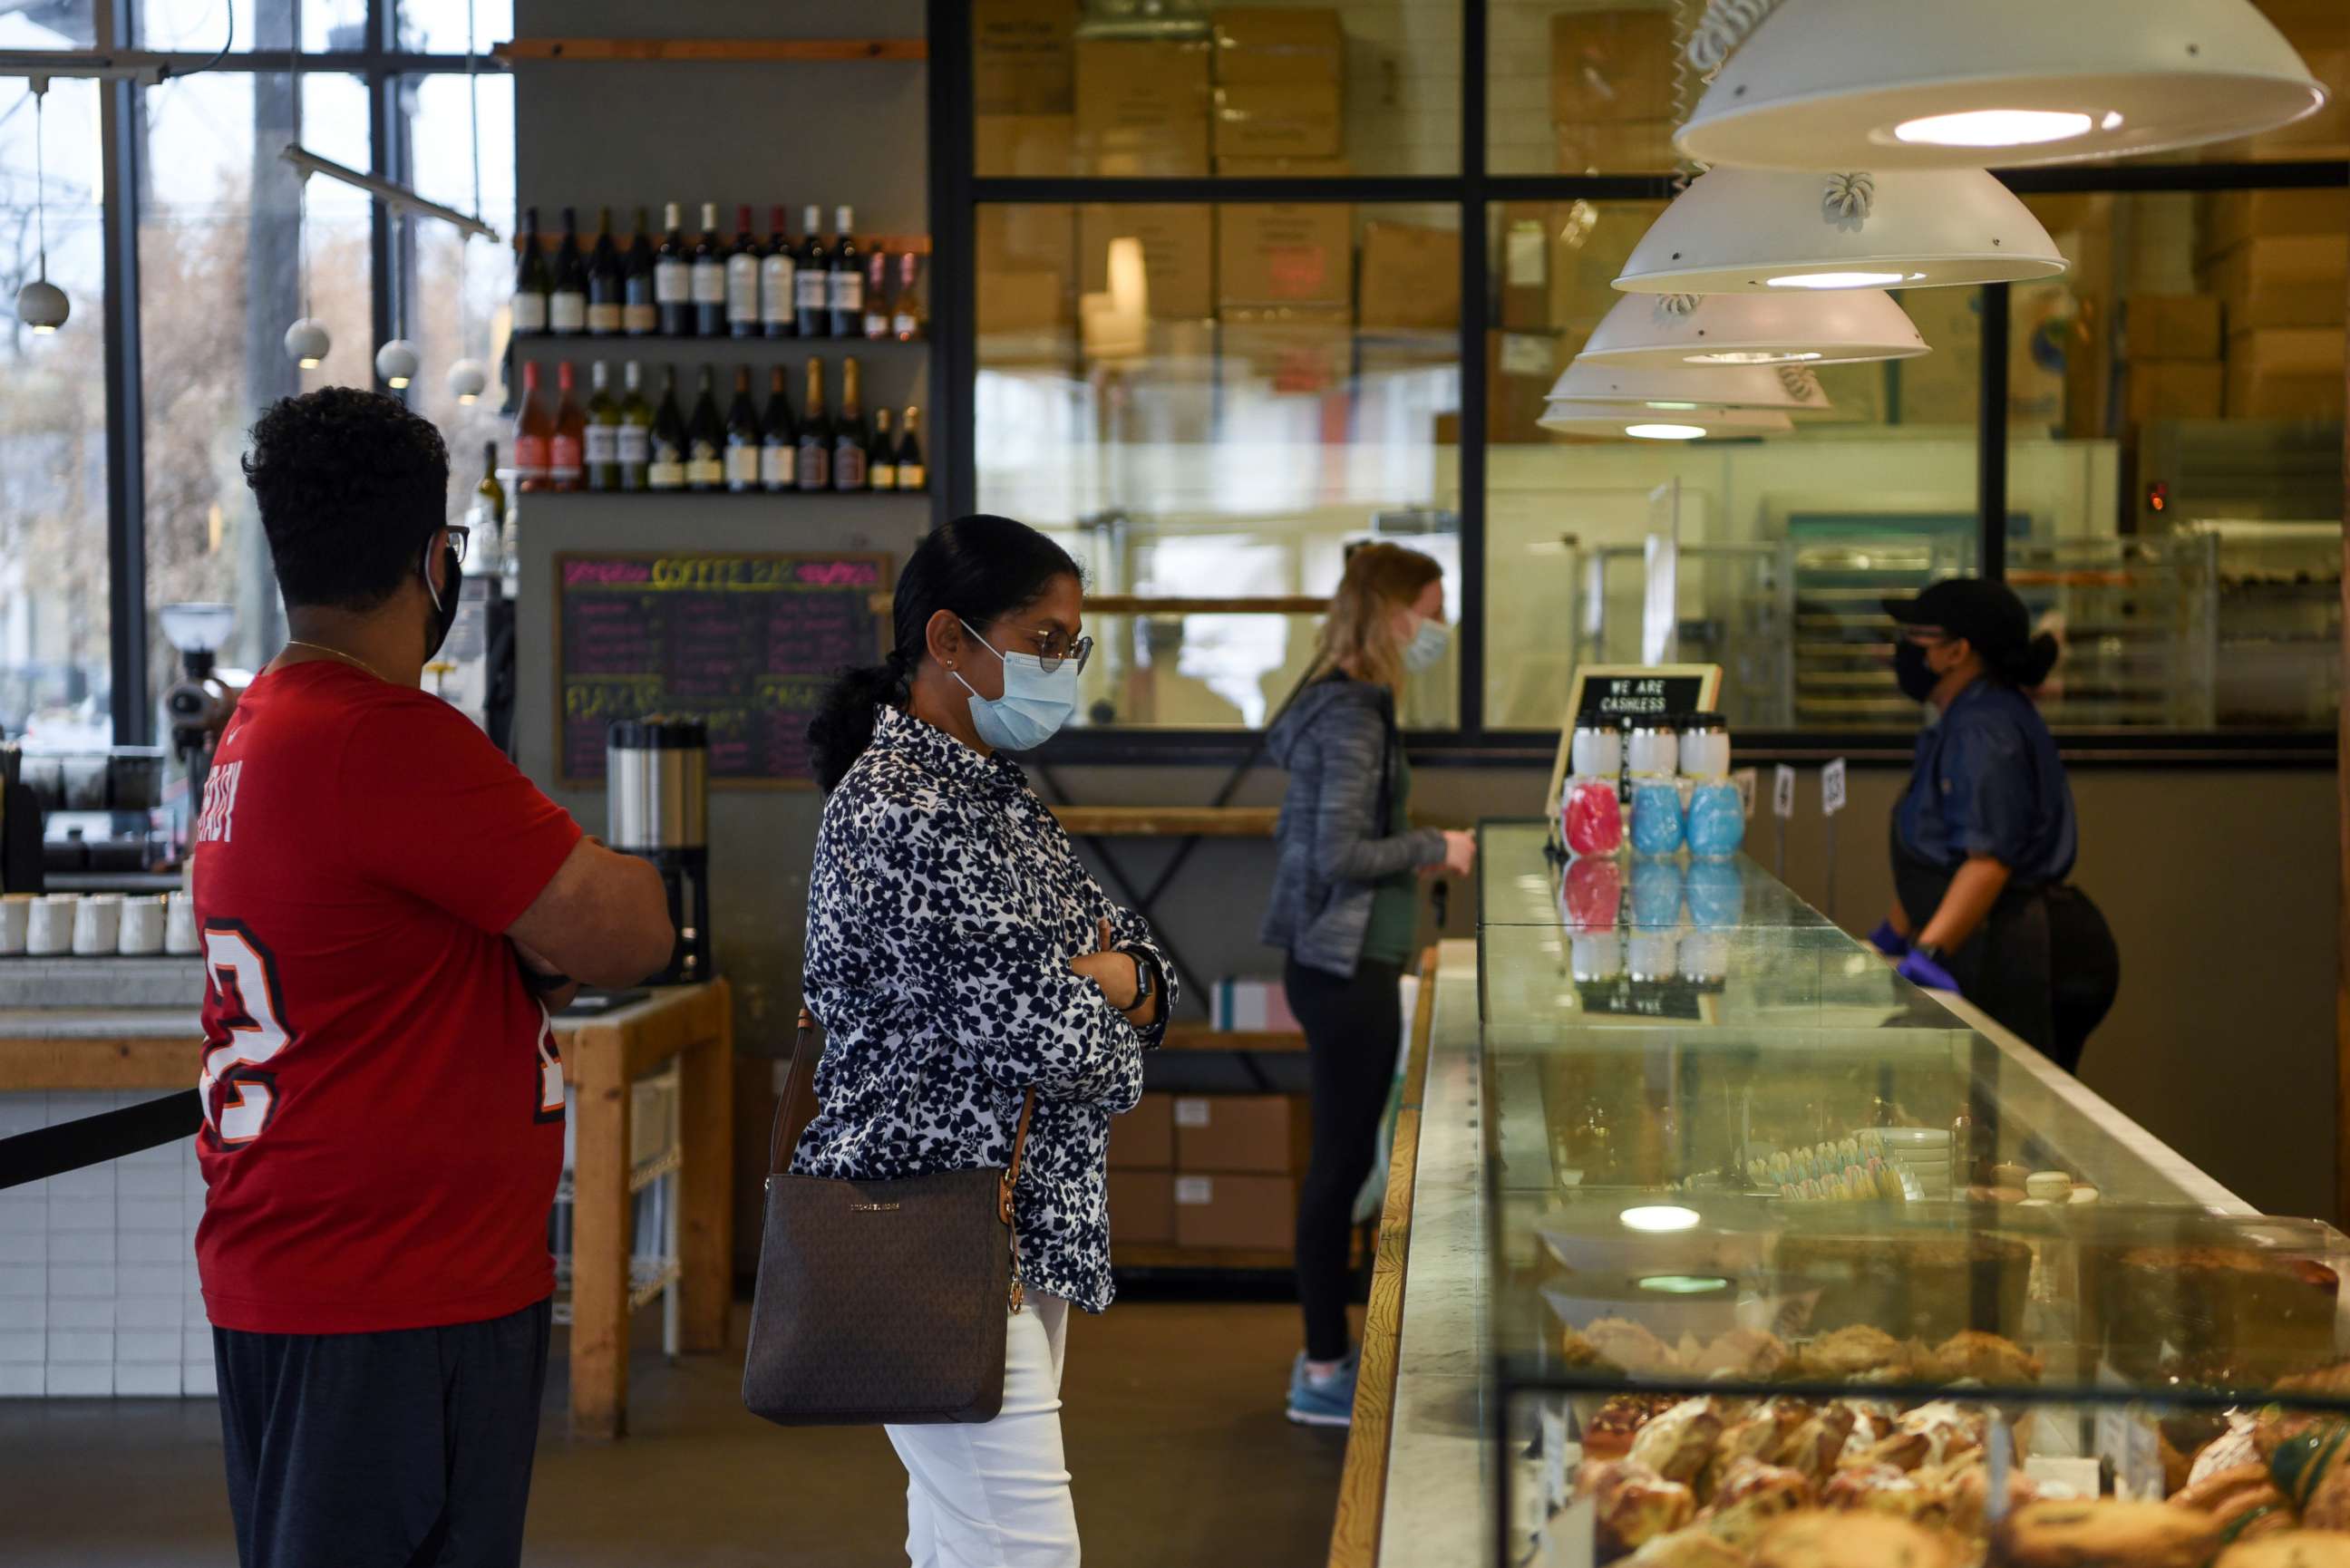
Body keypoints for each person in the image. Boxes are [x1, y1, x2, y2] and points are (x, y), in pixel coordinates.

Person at [197, 388, 676, 1568]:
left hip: (312, 1265)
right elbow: (631, 929)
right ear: (436, 558)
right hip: (400, 1290)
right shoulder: (386, 737)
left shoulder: (262, 721)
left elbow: (378, 948)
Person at [799, 514, 1178, 1568]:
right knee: (1024, 1550)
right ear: (950, 640)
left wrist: (1123, 981)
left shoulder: (992, 796)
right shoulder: (903, 808)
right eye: (1044, 640)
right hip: (929, 1225)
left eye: (1072, 645)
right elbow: (1052, 1033)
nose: (1061, 666)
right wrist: (1111, 1009)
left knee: (967, 1542)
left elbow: (1146, 964)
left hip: (1013, 1229)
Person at [1259, 543, 1475, 1427]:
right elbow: (1336, 852)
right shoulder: (1352, 714)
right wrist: (1438, 846)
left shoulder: (1344, 701)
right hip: (1344, 967)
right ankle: (1322, 1368)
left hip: (1342, 962)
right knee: (1341, 1166)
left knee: (1343, 1162)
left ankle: (1327, 1356)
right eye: (1430, 608)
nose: (1437, 628)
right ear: (1393, 614)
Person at [1869, 576, 2119, 1073]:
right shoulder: (1964, 719)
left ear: (1957, 652)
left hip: (2029, 949)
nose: (1899, 652)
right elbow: (1941, 853)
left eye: (1917, 639)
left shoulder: (1985, 728)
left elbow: (1989, 861)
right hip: (1992, 938)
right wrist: (1890, 938)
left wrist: (1929, 954)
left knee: (2020, 1110)